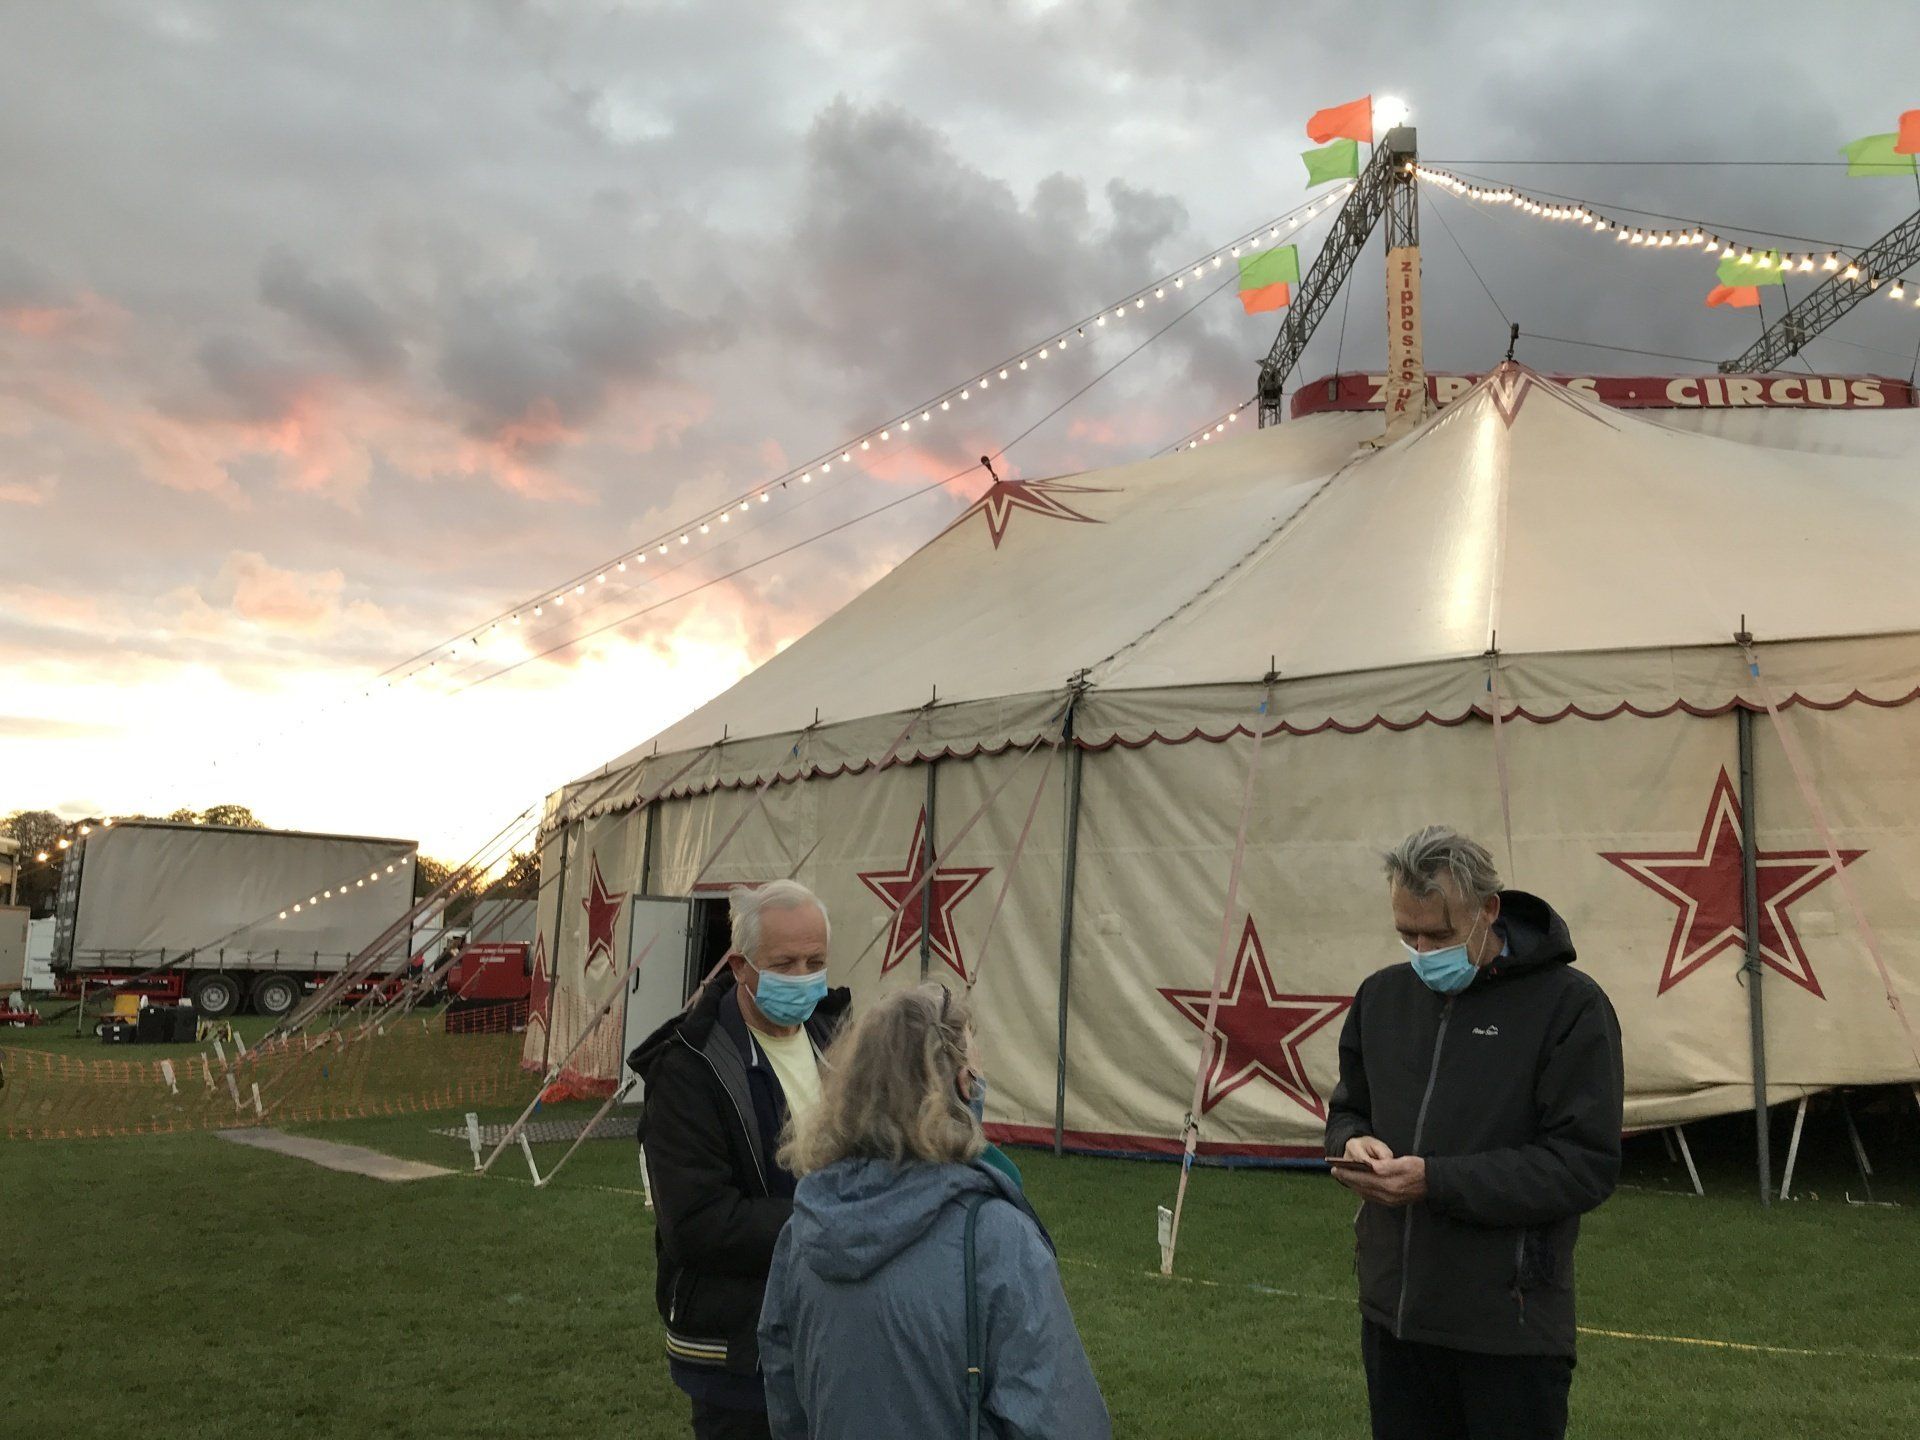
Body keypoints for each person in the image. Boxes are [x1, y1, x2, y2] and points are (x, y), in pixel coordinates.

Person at [1326, 826, 1624, 1440]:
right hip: (1394, 1320)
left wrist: (1437, 1180)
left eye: (1437, 934)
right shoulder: (1380, 997)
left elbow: (1583, 1165)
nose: (1419, 949)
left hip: (1508, 1329)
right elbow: (1347, 1109)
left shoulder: (1570, 1008)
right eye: (1405, 933)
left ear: (1489, 910)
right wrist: (1351, 1141)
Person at [758, 983, 1110, 1440]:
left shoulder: (803, 1230)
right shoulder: (995, 1237)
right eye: (976, 1070)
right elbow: (1063, 1422)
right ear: (963, 1084)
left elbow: (787, 1403)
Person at [631, 880, 850, 1440]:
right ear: (739, 966)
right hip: (737, 1350)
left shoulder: (837, 1039)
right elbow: (699, 1223)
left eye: (815, 961)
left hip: (833, 1332)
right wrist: (836, 1219)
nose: (802, 977)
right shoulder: (688, 1069)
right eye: (784, 963)